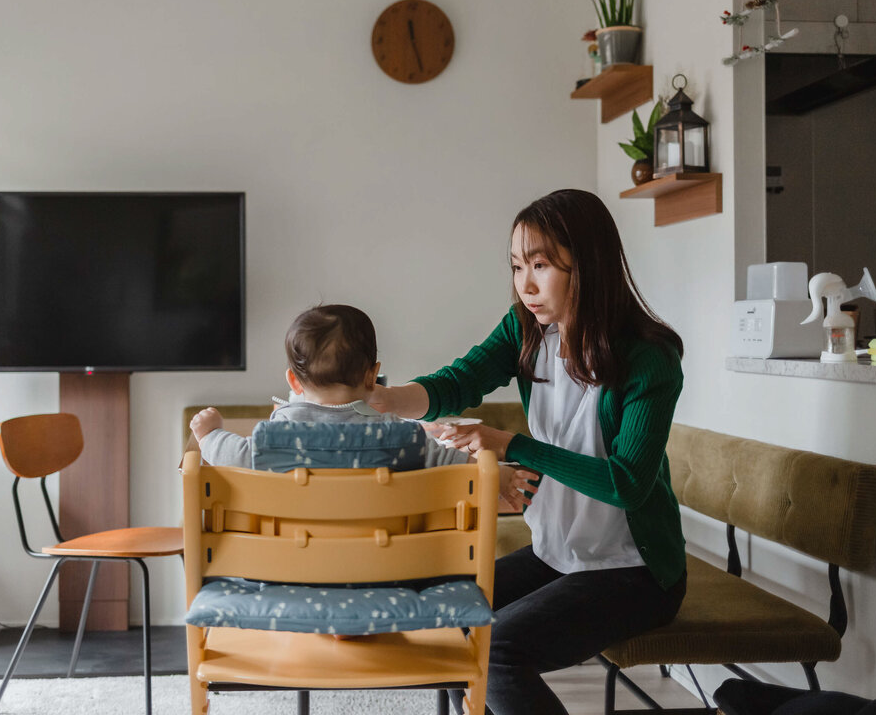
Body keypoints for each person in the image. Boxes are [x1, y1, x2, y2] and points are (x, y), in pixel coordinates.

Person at [369, 189, 687, 715]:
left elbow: (626, 483)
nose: (526, 284)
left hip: (633, 572)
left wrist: (513, 445)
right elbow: (460, 380)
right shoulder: (526, 329)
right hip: (557, 553)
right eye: (518, 266)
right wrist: (383, 399)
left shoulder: (650, 358)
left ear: (587, 265)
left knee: (496, 651)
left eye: (541, 265)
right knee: (447, 620)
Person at [190, 303, 482, 471]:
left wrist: (209, 433)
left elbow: (231, 455)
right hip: (382, 570)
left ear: (293, 381)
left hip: (294, 570)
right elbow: (457, 465)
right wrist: (497, 473)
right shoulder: (399, 435)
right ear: (372, 376)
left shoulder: (277, 436)